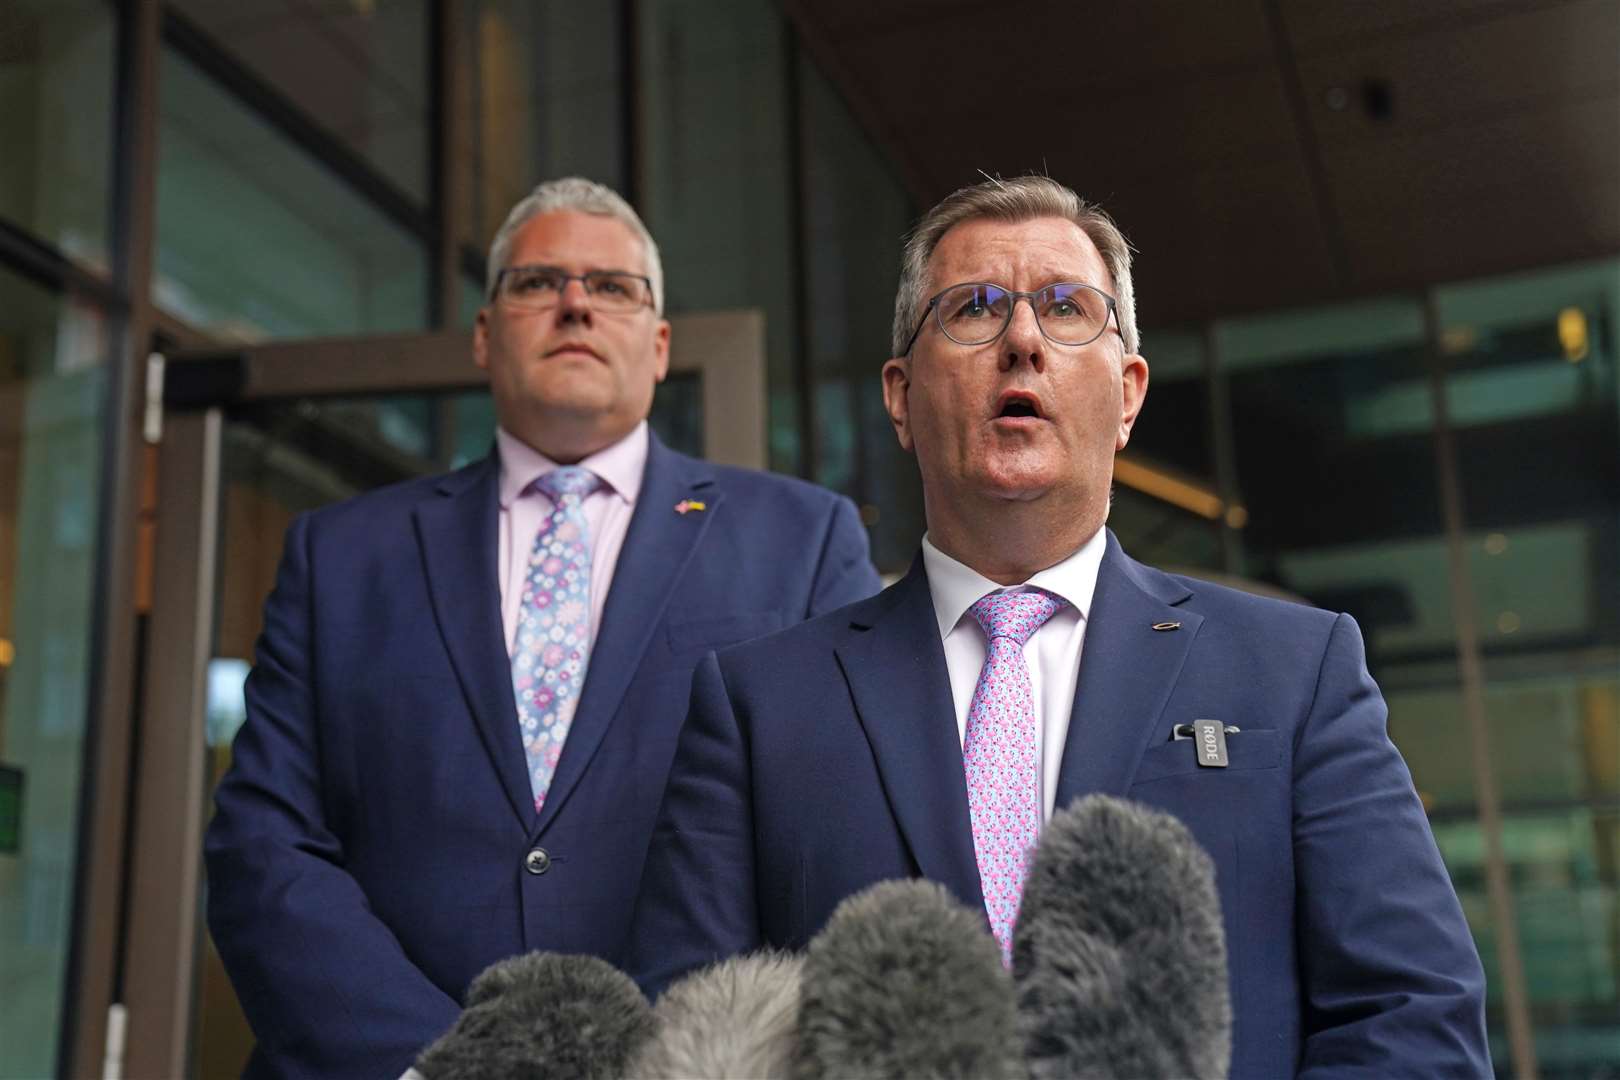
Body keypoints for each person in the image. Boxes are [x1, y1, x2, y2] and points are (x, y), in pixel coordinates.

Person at [626, 176, 1490, 1076]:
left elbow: (1412, 1015)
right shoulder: (757, 705)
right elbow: (684, 1033)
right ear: (898, 394)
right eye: (975, 309)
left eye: (1068, 308)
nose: (1023, 341)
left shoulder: (1298, 670)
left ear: (1127, 394)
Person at [204, 177, 881, 1079]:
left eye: (612, 287)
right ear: (485, 336)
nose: (574, 303)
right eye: (537, 282)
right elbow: (265, 841)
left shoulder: (801, 541)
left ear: (660, 342)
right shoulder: (342, 556)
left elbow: (834, 835)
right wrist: (435, 1064)